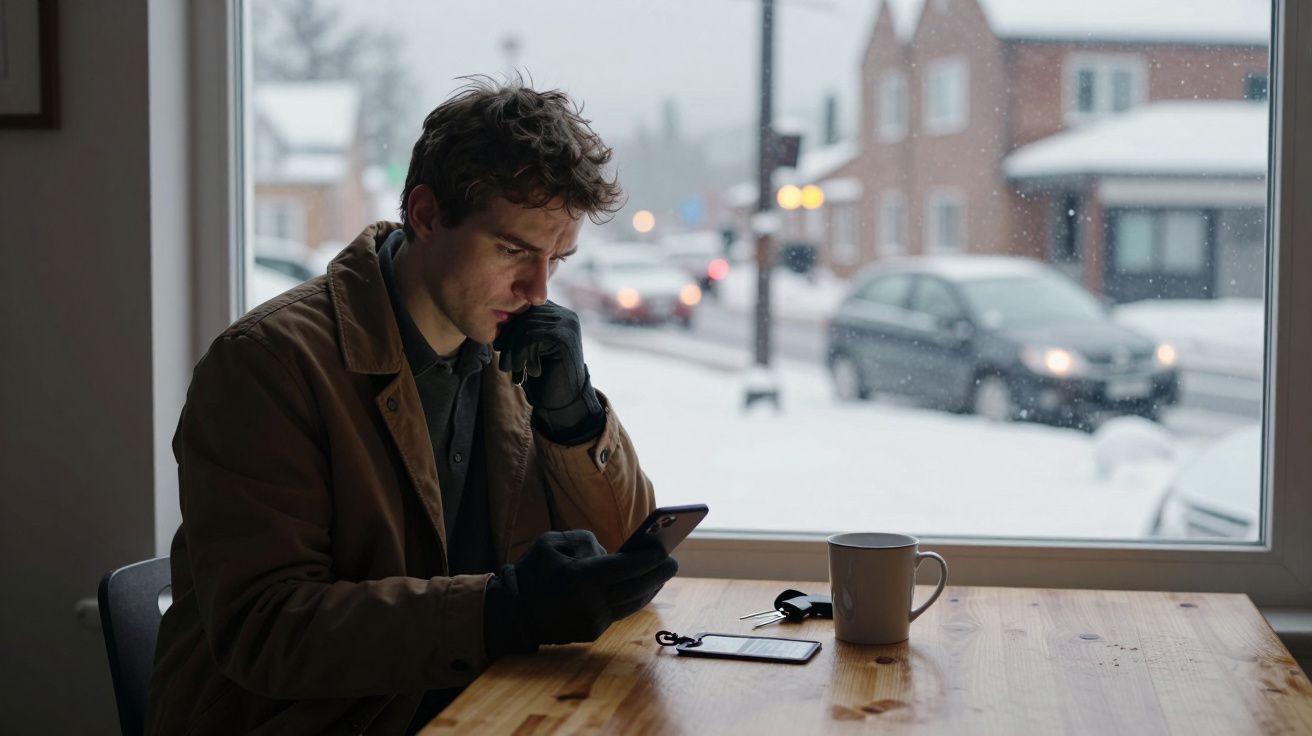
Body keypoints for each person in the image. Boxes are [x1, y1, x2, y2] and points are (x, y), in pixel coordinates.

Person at [145, 78, 678, 735]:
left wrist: (576, 420)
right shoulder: (269, 364)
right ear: (426, 215)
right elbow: (266, 630)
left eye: (557, 260)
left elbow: (623, 559)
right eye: (513, 251)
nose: (538, 290)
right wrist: (502, 610)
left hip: (472, 712)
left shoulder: (513, 349)